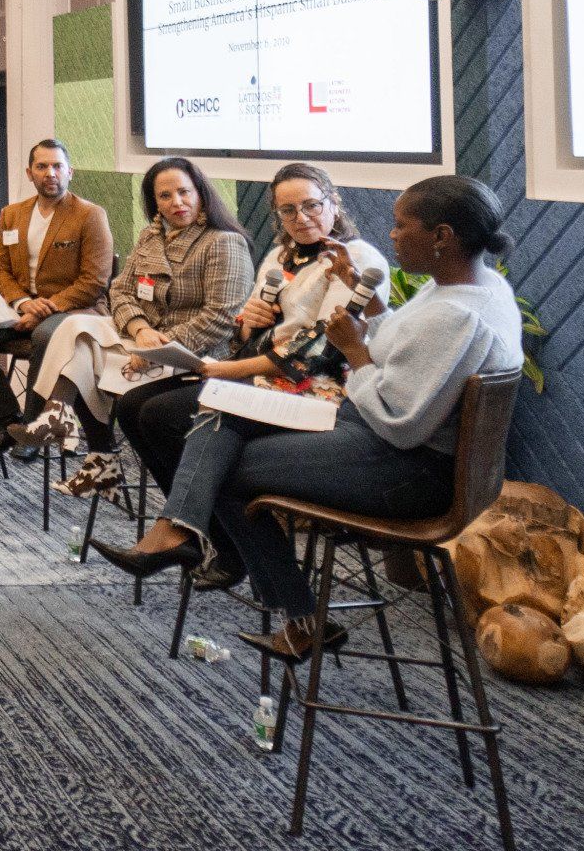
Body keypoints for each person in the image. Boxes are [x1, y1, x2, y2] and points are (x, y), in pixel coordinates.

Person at [93, 176, 523, 663]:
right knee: (222, 408)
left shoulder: (460, 314)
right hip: (372, 430)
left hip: (407, 467)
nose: (393, 235)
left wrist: (355, 351)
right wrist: (364, 318)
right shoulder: (459, 289)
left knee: (230, 470)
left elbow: (399, 420)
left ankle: (299, 619)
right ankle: (179, 529)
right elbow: (398, 350)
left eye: (403, 226)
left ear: (443, 236)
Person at [119, 162, 391, 567]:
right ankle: (209, 534)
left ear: (334, 203)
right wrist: (247, 324)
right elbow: (243, 333)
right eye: (287, 211)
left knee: (167, 413)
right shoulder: (282, 255)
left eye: (311, 206)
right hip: (263, 375)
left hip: (320, 388)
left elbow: (319, 351)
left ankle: (215, 542)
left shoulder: (357, 259)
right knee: (133, 407)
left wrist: (222, 370)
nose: (300, 219)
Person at [11, 156, 252, 498]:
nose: (176, 203)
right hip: (141, 337)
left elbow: (220, 319)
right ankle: (61, 418)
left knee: (85, 362)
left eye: (184, 192)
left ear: (201, 193)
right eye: (165, 196)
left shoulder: (222, 242)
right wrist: (139, 329)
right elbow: (120, 289)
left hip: (192, 352)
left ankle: (100, 458)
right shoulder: (151, 237)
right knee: (76, 327)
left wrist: (155, 350)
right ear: (154, 202)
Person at [0, 139, 113, 459]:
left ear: (70, 171)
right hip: (22, 306)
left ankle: (32, 427)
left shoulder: (89, 215)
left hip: (75, 309)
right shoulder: (11, 215)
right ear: (30, 173)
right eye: (42, 166)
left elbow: (94, 281)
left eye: (57, 166)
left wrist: (44, 310)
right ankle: (7, 421)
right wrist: (22, 304)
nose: (50, 173)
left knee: (45, 335)